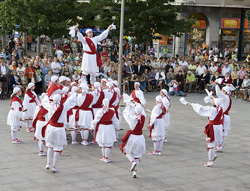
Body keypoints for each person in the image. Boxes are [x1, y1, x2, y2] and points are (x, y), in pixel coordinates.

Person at [43, 88, 80, 172]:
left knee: (50, 145)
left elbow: (45, 102)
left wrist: (45, 96)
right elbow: (70, 101)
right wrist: (74, 93)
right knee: (58, 146)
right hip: (59, 128)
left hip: (51, 127)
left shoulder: (50, 105)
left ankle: (48, 163)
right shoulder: (63, 106)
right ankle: (54, 166)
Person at [181, 97, 223, 167]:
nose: (212, 101)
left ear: (215, 103)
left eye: (213, 101)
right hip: (218, 127)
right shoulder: (220, 108)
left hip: (213, 128)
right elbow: (215, 101)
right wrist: (212, 97)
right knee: (213, 142)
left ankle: (210, 161)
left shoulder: (212, 109)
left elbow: (200, 107)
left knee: (210, 144)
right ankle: (213, 155)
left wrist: (188, 103)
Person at [90, 98, 119, 163]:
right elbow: (115, 121)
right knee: (108, 143)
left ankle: (104, 157)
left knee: (102, 143)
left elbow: (95, 120)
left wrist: (92, 127)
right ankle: (106, 157)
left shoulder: (100, 111)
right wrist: (117, 127)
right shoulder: (112, 111)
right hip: (109, 128)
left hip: (102, 127)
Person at [120, 104, 146, 178]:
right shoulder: (143, 116)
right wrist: (137, 105)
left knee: (126, 151)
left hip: (133, 137)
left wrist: (129, 106)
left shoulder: (132, 118)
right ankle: (135, 173)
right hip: (140, 137)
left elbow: (125, 113)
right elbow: (142, 110)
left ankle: (132, 162)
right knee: (137, 155)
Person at [215, 84, 234, 152]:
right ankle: (220, 145)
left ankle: (220, 145)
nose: (221, 91)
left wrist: (216, 85)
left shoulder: (225, 97)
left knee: (221, 131)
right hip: (225, 116)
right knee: (222, 131)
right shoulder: (227, 98)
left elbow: (218, 93)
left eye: (222, 90)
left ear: (225, 92)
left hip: (223, 117)